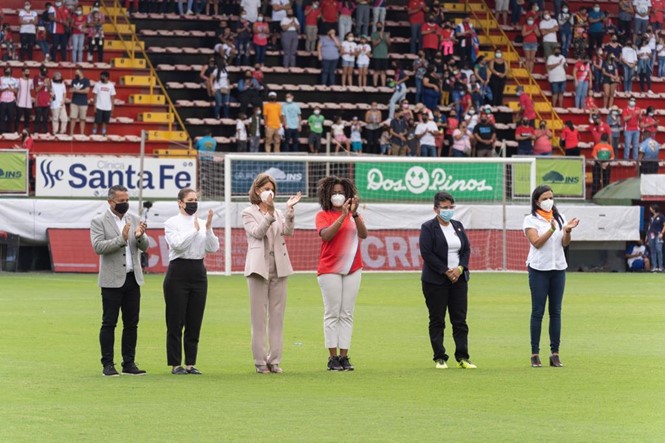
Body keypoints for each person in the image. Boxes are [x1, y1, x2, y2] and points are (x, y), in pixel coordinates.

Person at [243, 174, 301, 373]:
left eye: (273, 189)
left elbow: (288, 231)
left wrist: (290, 211)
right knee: (258, 318)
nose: (270, 192)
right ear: (257, 190)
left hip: (279, 266)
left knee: (277, 316)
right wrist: (269, 212)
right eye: (266, 188)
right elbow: (257, 233)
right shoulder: (248, 212)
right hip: (258, 268)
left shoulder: (277, 212)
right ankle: (260, 362)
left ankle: (274, 360)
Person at [90, 185, 149, 377]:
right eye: (121, 201)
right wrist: (121, 239)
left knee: (132, 323)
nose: (125, 204)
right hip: (111, 280)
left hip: (133, 278)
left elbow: (145, 245)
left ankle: (129, 362)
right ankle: (108, 364)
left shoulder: (134, 219)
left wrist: (139, 237)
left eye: (126, 200)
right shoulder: (99, 221)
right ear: (110, 201)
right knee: (109, 323)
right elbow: (98, 246)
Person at [163, 188, 220, 375]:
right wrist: (195, 232)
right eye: (190, 199)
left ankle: (190, 363)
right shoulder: (171, 223)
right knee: (175, 320)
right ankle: (175, 363)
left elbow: (212, 248)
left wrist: (209, 229)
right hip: (178, 272)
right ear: (180, 202)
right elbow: (178, 246)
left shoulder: (203, 223)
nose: (193, 203)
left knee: (194, 320)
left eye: (196, 199)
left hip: (198, 272)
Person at [523, 185, 580, 368]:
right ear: (537, 201)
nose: (549, 201)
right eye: (545, 198)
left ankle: (555, 353)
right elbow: (537, 243)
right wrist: (551, 230)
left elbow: (564, 243)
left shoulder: (559, 217)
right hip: (539, 269)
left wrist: (568, 231)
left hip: (558, 268)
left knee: (556, 312)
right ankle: (535, 354)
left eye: (551, 197)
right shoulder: (530, 220)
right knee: (537, 312)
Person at [315, 176, 367, 371]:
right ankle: (332, 357)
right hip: (330, 269)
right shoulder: (323, 215)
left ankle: (344, 356)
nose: (338, 196)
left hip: (353, 267)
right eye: (335, 193)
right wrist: (342, 216)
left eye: (341, 193)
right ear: (328, 195)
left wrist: (352, 215)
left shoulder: (355, 215)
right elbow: (326, 235)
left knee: (347, 313)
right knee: (332, 312)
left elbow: (363, 234)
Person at [420, 191, 475, 369]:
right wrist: (446, 271)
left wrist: (459, 269)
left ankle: (463, 357)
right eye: (445, 208)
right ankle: (439, 357)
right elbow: (427, 253)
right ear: (436, 209)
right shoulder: (428, 227)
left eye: (451, 207)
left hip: (458, 280)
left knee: (460, 320)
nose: (449, 210)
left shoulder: (458, 226)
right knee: (437, 319)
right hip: (435, 281)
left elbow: (466, 249)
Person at [92, 71, 115, 136]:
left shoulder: (111, 85)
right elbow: (95, 96)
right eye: (100, 76)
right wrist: (94, 106)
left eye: (103, 76)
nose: (101, 77)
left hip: (108, 107)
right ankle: (94, 132)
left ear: (107, 77)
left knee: (105, 122)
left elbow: (112, 97)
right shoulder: (97, 84)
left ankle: (103, 133)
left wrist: (112, 107)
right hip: (99, 106)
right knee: (96, 121)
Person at [69, 69, 90, 135]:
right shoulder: (73, 80)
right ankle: (71, 132)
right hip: (74, 102)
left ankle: (82, 133)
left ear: (81, 73)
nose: (76, 74)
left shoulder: (86, 80)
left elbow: (86, 91)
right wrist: (76, 90)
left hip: (83, 102)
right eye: (75, 73)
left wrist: (76, 90)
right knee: (73, 118)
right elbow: (70, 90)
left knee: (82, 118)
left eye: (77, 73)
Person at [646, 204, 665, 272]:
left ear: (654, 209)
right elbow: (649, 226)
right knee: (652, 250)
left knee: (659, 249)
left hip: (658, 234)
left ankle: (661, 266)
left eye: (651, 208)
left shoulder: (661, 216)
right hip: (651, 234)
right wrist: (646, 236)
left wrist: (662, 233)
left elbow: (664, 225)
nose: (650, 209)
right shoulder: (650, 216)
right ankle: (654, 266)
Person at [371, 22, 390, 87]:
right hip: (376, 55)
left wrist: (387, 38)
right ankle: (375, 84)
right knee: (376, 71)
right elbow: (374, 44)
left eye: (380, 25)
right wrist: (380, 38)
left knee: (383, 72)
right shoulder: (374, 34)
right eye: (378, 25)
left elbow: (389, 44)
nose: (379, 26)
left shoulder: (385, 34)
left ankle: (383, 85)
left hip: (384, 55)